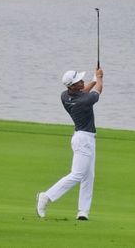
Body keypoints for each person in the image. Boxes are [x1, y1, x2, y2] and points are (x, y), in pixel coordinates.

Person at [36, 67, 103, 221]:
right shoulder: (84, 101)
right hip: (84, 140)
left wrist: (93, 79)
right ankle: (46, 196)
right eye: (79, 81)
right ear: (72, 86)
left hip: (82, 138)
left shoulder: (65, 95)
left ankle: (83, 211)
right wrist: (99, 78)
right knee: (78, 174)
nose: (82, 81)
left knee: (88, 176)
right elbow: (98, 91)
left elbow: (84, 92)